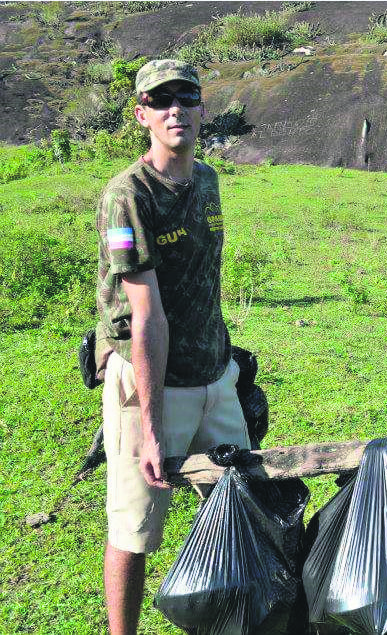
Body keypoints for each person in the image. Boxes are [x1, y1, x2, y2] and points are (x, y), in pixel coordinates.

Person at [95, 59, 250, 634]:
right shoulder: (126, 197)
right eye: (160, 101)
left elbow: (205, 281)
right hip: (150, 382)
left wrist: (228, 369)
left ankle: (235, 617)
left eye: (185, 98)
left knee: (241, 500)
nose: (175, 110)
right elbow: (147, 318)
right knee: (134, 530)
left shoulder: (207, 179)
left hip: (214, 374)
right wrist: (153, 427)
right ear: (142, 115)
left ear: (202, 109)